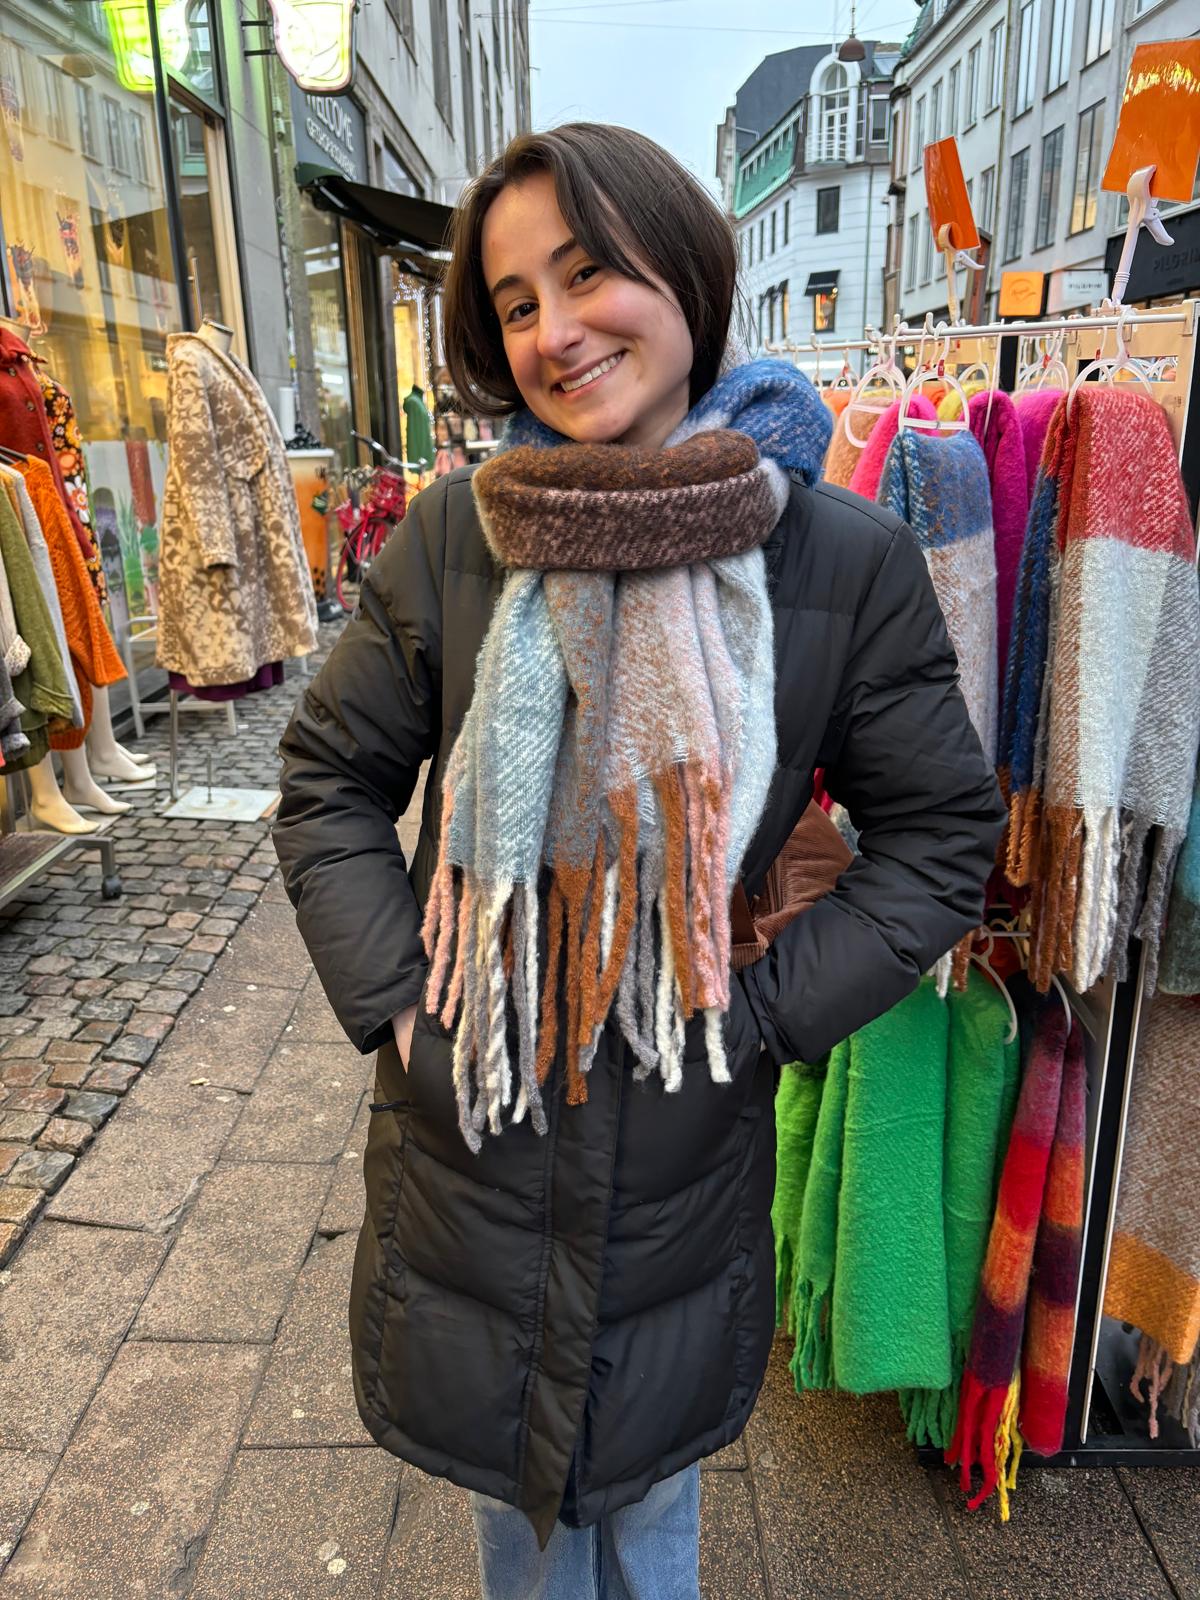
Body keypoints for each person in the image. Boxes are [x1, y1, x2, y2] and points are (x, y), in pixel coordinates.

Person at [273, 123, 1005, 1600]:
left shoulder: (838, 563)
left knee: (655, 1511)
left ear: (687, 264)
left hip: (681, 1142)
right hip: (472, 1134)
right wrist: (403, 1004)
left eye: (587, 272)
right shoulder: (451, 543)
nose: (555, 329)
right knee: (518, 1529)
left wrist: (762, 1021)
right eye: (518, 301)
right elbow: (328, 784)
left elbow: (940, 838)